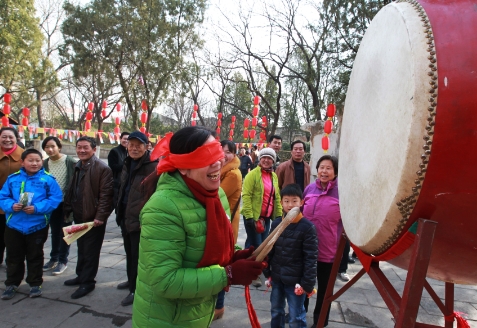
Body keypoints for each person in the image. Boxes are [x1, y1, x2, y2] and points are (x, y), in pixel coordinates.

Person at [132, 126, 263, 328]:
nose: (219, 162)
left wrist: (236, 255)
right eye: (206, 157)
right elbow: (164, 280)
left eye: (218, 154)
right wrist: (228, 274)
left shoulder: (216, 195)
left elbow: (213, 242)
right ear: (183, 166)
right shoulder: (162, 207)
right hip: (166, 320)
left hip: (198, 313)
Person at [0, 149, 62, 300]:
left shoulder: (48, 180)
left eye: (38, 160)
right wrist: (10, 205)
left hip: (37, 225)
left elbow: (56, 198)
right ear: (22, 162)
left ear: (42, 162)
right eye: (30, 160)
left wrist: (37, 208)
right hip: (14, 224)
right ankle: (12, 283)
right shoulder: (12, 179)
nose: (34, 163)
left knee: (35, 255)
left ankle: (35, 283)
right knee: (13, 256)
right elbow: (3, 197)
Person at [63, 136, 114, 299]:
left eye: (85, 147)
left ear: (94, 149)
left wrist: (100, 216)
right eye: (79, 147)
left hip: (93, 219)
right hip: (79, 214)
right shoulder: (78, 165)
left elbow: (106, 195)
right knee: (82, 248)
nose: (82, 150)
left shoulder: (102, 168)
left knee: (91, 251)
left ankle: (88, 283)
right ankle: (81, 275)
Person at [263, 184, 317, 328]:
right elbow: (269, 250)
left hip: (296, 281)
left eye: (294, 201)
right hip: (277, 278)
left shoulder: (307, 228)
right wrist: (267, 271)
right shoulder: (276, 224)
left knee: (296, 317)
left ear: (301, 202)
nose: (290, 204)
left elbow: (311, 258)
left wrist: (307, 284)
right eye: (286, 201)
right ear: (281, 203)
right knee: (276, 310)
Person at [115, 131, 158, 306]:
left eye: (138, 145)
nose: (134, 148)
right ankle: (130, 281)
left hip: (141, 221)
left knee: (138, 257)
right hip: (125, 216)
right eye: (131, 145)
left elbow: (155, 195)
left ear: (146, 146)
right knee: (129, 253)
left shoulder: (153, 167)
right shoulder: (127, 163)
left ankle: (136, 290)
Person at [302, 155, 342, 327]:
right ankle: (299, 314)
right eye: (321, 167)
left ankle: (321, 320)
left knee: (324, 289)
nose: (324, 171)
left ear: (335, 171)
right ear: (316, 170)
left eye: (328, 168)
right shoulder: (309, 189)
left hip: (329, 250)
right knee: (303, 285)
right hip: (305, 249)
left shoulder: (342, 192)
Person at [241, 147, 282, 287]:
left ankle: (246, 267)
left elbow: (276, 197)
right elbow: (246, 196)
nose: (266, 160)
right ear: (260, 159)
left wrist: (279, 217)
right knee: (257, 246)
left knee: (262, 244)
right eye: (264, 157)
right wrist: (250, 217)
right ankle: (253, 274)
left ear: (273, 161)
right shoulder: (252, 175)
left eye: (269, 158)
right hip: (253, 217)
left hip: (266, 218)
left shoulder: (274, 176)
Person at [214, 140, 243, 320]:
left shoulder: (233, 174)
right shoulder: (221, 172)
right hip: (220, 223)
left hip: (226, 226)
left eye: (228, 152)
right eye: (221, 150)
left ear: (234, 154)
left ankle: (219, 306)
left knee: (220, 266)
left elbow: (216, 196)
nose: (224, 154)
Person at [41, 136, 77, 275]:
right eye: (47, 147)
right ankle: (53, 258)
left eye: (52, 146)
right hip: (51, 204)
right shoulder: (44, 164)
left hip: (66, 204)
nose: (50, 149)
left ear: (59, 147)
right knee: (54, 232)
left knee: (66, 232)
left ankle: (63, 260)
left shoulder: (70, 162)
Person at [0, 127, 24, 267]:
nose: (7, 140)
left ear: (16, 138)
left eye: (11, 137)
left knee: (14, 236)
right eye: (4, 137)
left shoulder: (24, 155)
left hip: (17, 203)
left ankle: (14, 263)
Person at [108, 131, 129, 210]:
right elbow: (112, 166)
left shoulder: (128, 152)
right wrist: (127, 166)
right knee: (111, 206)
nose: (126, 141)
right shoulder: (114, 151)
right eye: (125, 139)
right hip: (115, 183)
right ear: (120, 139)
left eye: (128, 139)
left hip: (124, 183)